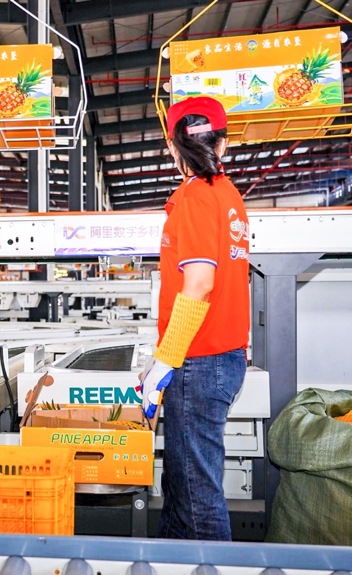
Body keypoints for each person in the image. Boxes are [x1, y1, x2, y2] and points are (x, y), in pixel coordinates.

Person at [137, 96, 250, 541]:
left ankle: (213, 568)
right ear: (223, 143)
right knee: (181, 486)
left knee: (197, 497)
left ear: (171, 146)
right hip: (219, 357)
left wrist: (166, 359)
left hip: (199, 361)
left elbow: (199, 283)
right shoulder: (228, 195)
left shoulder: (197, 196)